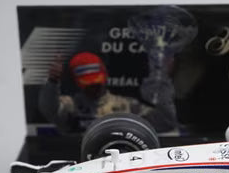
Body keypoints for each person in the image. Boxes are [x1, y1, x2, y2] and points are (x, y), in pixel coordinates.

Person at [38, 52, 177, 134]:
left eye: (97, 82)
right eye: (89, 84)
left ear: (104, 77)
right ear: (77, 82)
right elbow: (50, 109)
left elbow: (166, 122)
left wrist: (163, 79)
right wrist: (52, 82)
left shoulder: (127, 106)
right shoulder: (70, 106)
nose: (94, 88)